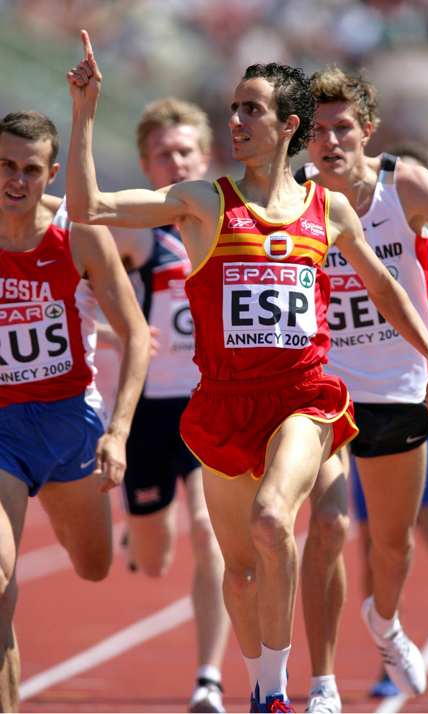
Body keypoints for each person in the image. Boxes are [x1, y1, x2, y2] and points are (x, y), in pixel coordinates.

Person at [66, 33, 428, 713]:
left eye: (252, 110)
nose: (236, 122)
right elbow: (89, 207)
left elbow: (387, 287)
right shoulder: (202, 200)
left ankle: (290, 693)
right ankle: (265, 687)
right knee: (242, 576)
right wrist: (84, 113)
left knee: (277, 522)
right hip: (222, 404)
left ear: (288, 126)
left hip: (305, 397)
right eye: (234, 109)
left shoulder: (327, 208)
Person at [290, 67, 428, 709]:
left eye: (342, 127)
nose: (330, 140)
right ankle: (322, 684)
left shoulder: (406, 184)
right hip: (322, 389)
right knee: (328, 526)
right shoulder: (294, 194)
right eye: (317, 130)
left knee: (392, 544)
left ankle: (386, 622)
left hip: (399, 388)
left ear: (366, 130)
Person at [0, 109, 150, 710]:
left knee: (91, 565)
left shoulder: (79, 232)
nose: (15, 179)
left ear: (51, 173)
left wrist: (117, 433)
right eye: (5, 165)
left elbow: (137, 335)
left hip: (71, 424)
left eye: (30, 169)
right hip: (4, 424)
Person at [107, 97, 231, 713]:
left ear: (204, 156)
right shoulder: (134, 229)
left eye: (185, 151)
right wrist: (119, 333)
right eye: (163, 153)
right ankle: (141, 535)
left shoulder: (229, 219)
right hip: (151, 411)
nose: (175, 160)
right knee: (155, 561)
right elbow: (78, 303)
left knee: (212, 533)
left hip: (210, 402)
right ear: (145, 163)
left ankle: (208, 677)